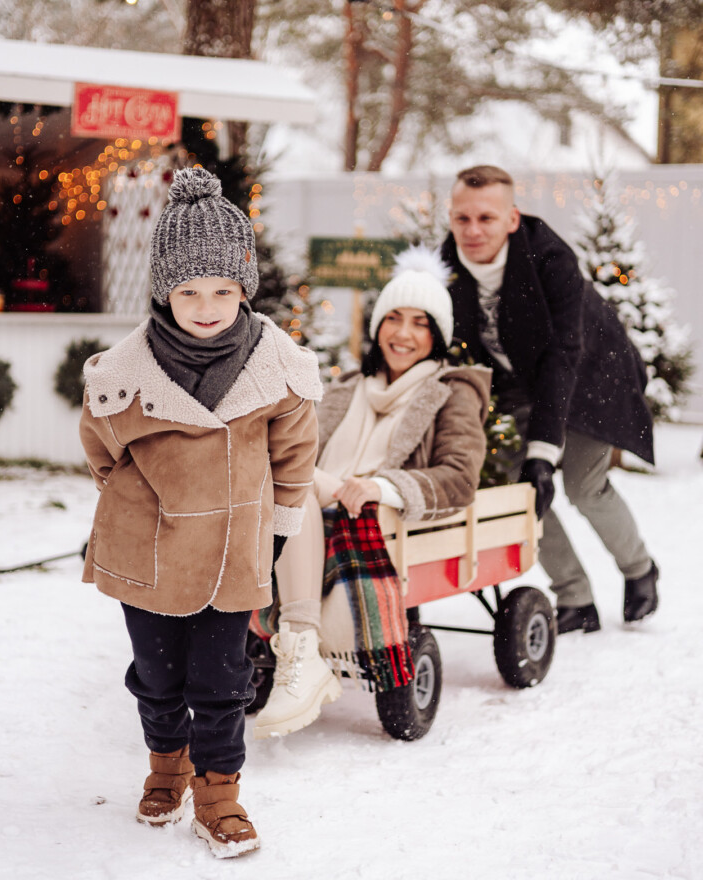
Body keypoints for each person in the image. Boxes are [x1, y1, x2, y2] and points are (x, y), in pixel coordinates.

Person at [79, 167, 321, 857]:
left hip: (231, 555)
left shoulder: (275, 371)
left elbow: (294, 457)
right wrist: (137, 508)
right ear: (164, 291)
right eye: (188, 290)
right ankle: (167, 766)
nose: (206, 305)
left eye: (221, 289)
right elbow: (100, 448)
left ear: (244, 288)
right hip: (145, 551)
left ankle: (219, 796)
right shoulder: (124, 374)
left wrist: (275, 531)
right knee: (156, 675)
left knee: (221, 679)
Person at [253, 247, 490, 739]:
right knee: (274, 473)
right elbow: (301, 450)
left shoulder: (454, 391)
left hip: (372, 516)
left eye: (420, 323)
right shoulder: (346, 385)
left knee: (286, 486)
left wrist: (382, 486)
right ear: (378, 324)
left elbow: (460, 477)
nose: (403, 334)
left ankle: (299, 645)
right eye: (394, 319)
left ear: (438, 334)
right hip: (318, 500)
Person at [442, 164, 658, 634]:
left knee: (582, 484)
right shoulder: (448, 265)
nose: (473, 230)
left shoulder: (550, 259)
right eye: (463, 219)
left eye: (487, 218)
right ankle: (576, 599)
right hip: (519, 383)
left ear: (512, 219)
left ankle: (640, 569)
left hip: (592, 380)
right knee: (517, 490)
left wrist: (543, 450)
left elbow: (564, 356)